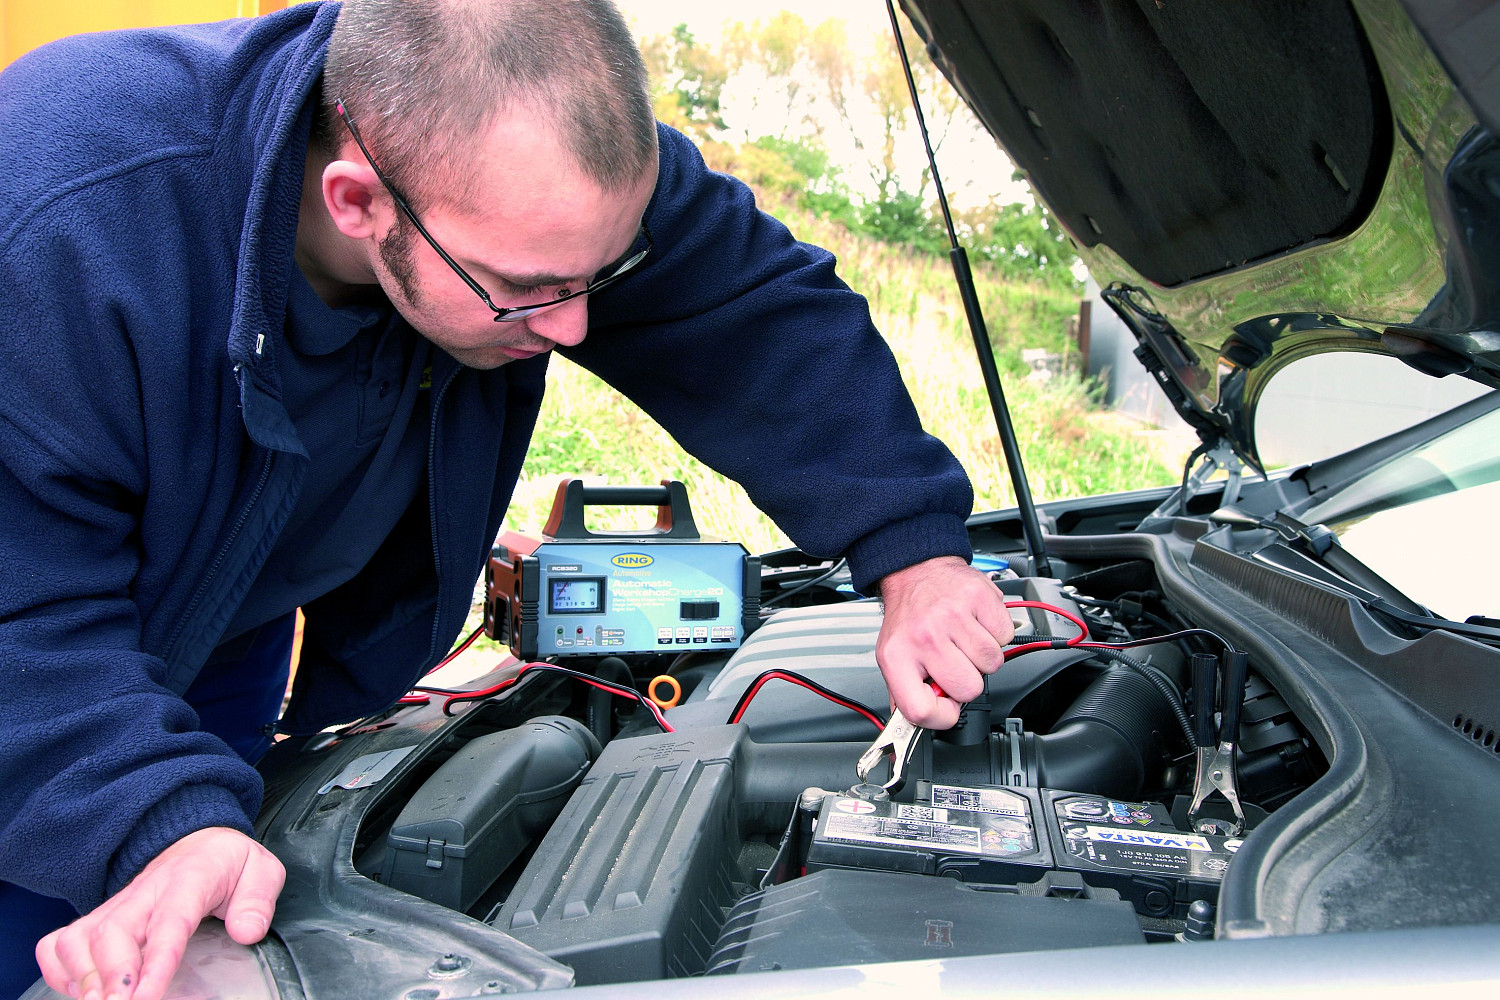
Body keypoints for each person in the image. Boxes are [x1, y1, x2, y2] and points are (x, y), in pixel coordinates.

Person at [0, 0, 1014, 996]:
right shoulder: (65, 225)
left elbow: (756, 315)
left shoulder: (529, 178)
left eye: (603, 276)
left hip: (227, 621)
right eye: (528, 289)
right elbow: (22, 615)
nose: (574, 328)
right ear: (359, 203)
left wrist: (914, 553)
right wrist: (153, 816)